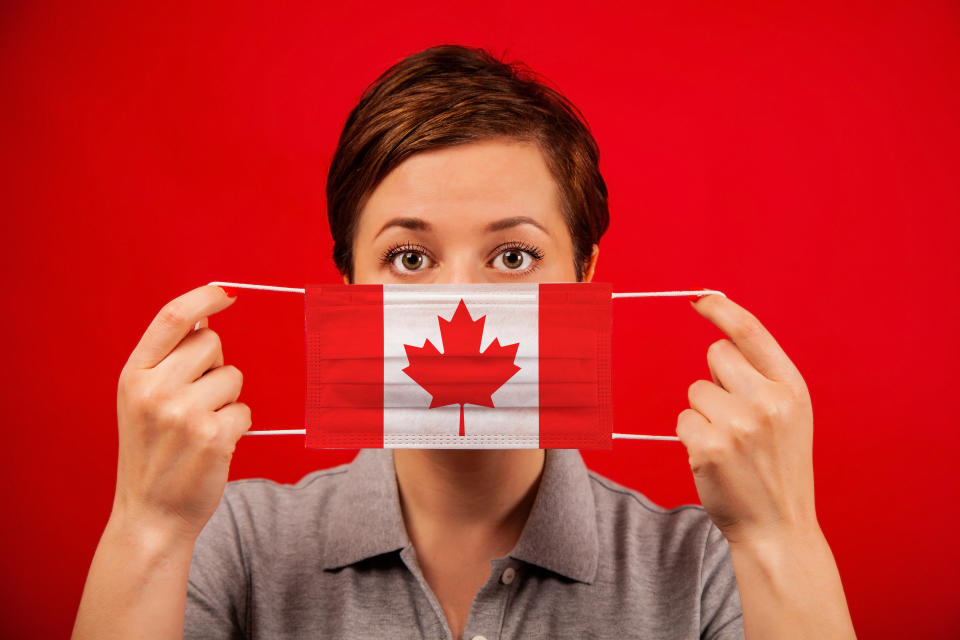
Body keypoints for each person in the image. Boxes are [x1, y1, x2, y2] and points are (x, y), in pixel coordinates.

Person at [72, 45, 857, 639]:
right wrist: (147, 525)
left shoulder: (703, 567)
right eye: (409, 259)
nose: (463, 304)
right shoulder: (231, 544)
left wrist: (782, 537)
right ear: (349, 287)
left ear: (585, 277)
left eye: (513, 257)